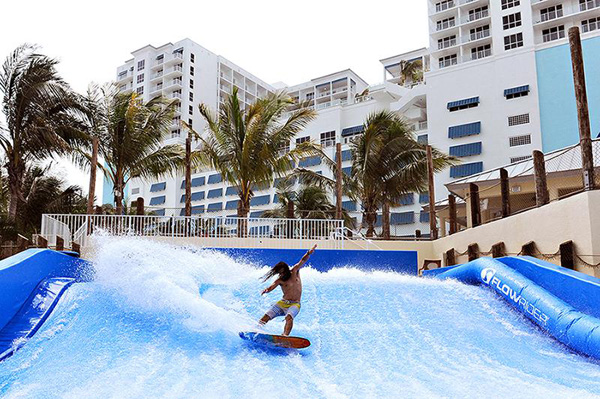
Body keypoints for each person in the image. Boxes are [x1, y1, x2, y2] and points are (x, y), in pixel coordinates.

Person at [258, 244, 317, 336]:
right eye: (280, 273)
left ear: (286, 269)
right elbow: (272, 286)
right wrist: (266, 290)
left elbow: (303, 260)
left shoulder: (294, 271)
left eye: (283, 272)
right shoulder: (280, 280)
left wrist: (308, 253)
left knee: (289, 317)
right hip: (282, 303)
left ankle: (285, 336)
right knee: (266, 316)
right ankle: (256, 330)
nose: (282, 274)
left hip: (294, 304)